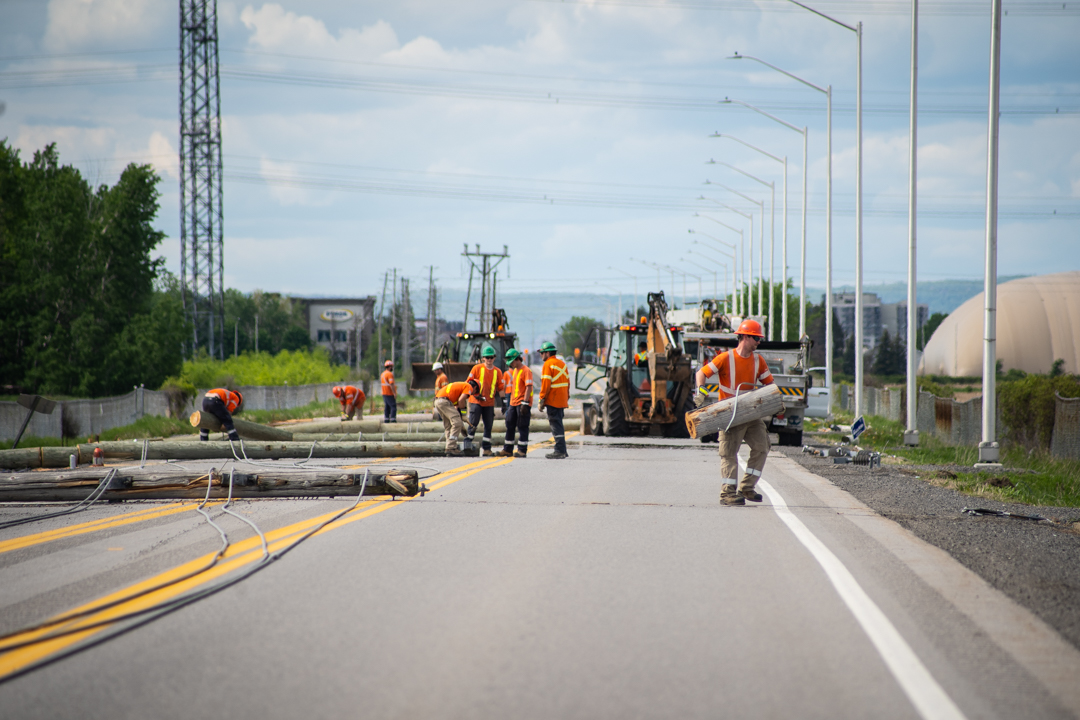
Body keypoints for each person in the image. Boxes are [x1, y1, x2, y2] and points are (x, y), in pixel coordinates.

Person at [694, 318, 774, 506]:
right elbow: (701, 373)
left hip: (751, 413)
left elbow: (770, 385)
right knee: (729, 453)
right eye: (756, 338)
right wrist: (701, 391)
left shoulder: (758, 361)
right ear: (745, 337)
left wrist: (775, 400)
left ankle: (746, 487)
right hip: (729, 413)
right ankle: (727, 494)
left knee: (762, 447)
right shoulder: (725, 358)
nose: (759, 342)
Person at [465, 346, 504, 456]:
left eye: (491, 357)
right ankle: (467, 445)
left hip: (489, 403)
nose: (489, 359)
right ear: (483, 358)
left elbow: (501, 388)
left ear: (494, 358)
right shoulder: (476, 368)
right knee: (473, 422)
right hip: (476, 401)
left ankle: (486, 449)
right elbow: (468, 383)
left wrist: (504, 402)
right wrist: (474, 394)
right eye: (487, 357)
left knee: (488, 425)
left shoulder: (497, 372)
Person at [496, 348, 532, 458]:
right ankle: (507, 449)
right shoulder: (515, 370)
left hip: (522, 403)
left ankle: (522, 450)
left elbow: (528, 387)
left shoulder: (526, 370)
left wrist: (525, 403)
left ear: (517, 359)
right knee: (509, 424)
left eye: (511, 362)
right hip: (513, 402)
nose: (510, 364)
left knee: (522, 425)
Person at [538, 341, 569, 459]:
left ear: (547, 353)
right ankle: (563, 450)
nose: (541, 355)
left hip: (553, 400)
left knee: (555, 425)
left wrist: (541, 399)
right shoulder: (562, 364)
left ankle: (559, 451)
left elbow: (546, 384)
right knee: (559, 424)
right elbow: (567, 382)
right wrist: (567, 396)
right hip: (562, 400)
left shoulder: (548, 364)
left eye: (542, 353)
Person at [434, 378, 479, 455]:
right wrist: (463, 415)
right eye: (475, 392)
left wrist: (462, 426)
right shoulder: (468, 387)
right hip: (445, 402)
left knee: (449, 425)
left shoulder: (460, 388)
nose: (472, 394)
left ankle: (448, 447)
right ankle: (451, 447)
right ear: (475, 387)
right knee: (457, 423)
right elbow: (461, 400)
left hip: (438, 401)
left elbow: (456, 408)